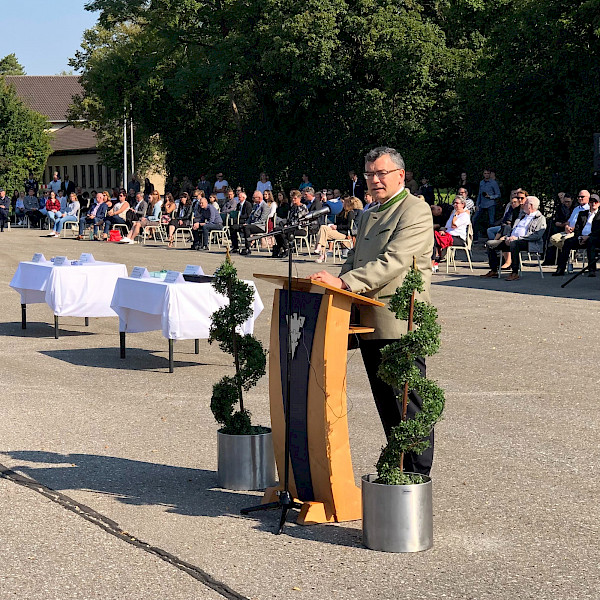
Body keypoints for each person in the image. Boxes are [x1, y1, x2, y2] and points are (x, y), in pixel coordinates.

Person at [309, 146, 434, 476]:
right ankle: (396, 470)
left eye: (382, 173)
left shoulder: (415, 211)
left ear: (400, 175)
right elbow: (355, 259)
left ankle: (416, 477)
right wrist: (335, 280)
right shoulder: (366, 214)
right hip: (366, 322)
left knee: (408, 406)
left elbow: (393, 261)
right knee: (387, 405)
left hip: (398, 324)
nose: (375, 180)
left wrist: (345, 285)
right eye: (370, 174)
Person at [481, 196, 546, 281]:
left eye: (525, 203)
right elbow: (513, 229)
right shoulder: (522, 216)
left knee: (514, 244)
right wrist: (508, 237)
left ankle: (515, 272)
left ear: (530, 205)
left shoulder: (540, 218)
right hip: (512, 240)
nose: (522, 204)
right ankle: (494, 270)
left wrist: (517, 238)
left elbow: (537, 235)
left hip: (528, 242)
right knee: (490, 244)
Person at [554, 194, 600, 276]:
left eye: (595, 202)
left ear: (599, 204)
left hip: (594, 238)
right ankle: (560, 268)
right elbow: (578, 228)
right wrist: (580, 237)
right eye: (591, 202)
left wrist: (588, 237)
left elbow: (598, 230)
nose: (593, 204)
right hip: (582, 237)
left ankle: (592, 269)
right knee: (567, 242)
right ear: (589, 203)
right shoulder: (582, 214)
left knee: (591, 242)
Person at [432, 196, 471, 272]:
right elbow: (447, 226)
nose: (455, 205)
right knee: (434, 237)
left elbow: (454, 225)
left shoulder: (464, 215)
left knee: (436, 240)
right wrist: (443, 231)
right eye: (454, 203)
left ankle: (435, 261)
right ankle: (435, 261)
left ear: (462, 204)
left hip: (458, 238)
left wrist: (455, 215)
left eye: (457, 203)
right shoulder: (453, 213)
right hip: (449, 235)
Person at [314, 196, 357, 263]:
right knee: (323, 229)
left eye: (343, 202)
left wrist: (337, 227)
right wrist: (332, 226)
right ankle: (321, 253)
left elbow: (348, 226)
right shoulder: (339, 212)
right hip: (336, 231)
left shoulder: (350, 213)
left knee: (323, 231)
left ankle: (320, 251)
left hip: (344, 234)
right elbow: (336, 223)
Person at [230, 190, 269, 255]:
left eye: (254, 198)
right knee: (233, 227)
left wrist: (250, 224)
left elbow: (262, 220)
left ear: (259, 198)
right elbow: (250, 217)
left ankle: (247, 248)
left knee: (246, 228)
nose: (253, 199)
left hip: (260, 226)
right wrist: (247, 223)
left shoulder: (265, 206)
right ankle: (235, 247)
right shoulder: (255, 205)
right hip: (251, 225)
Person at [472, 169, 501, 238]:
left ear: (490, 174)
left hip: (490, 204)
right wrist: (477, 204)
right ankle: (475, 237)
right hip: (482, 204)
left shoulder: (493, 183)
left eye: (488, 173)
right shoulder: (481, 182)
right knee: (475, 219)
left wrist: (490, 196)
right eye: (485, 173)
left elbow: (498, 194)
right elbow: (479, 194)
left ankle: (491, 238)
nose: (486, 175)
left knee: (491, 222)